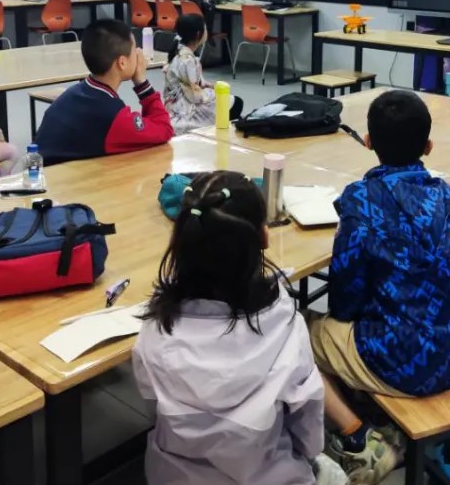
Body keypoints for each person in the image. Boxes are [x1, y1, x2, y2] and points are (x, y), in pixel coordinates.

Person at [309, 90, 450, 485]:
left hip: (404, 361)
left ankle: (359, 439)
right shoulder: (445, 194)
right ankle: (371, 409)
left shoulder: (361, 198)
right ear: (428, 146)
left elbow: (345, 294)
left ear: (368, 142)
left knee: (292, 333)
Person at [132, 171, 340, 485]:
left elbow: (154, 410)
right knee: (331, 473)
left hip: (175, 476)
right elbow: (309, 433)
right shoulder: (286, 327)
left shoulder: (153, 332)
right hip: (269, 477)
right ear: (264, 237)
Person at [36, 19, 174, 164]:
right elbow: (163, 128)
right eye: (135, 50)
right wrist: (141, 83)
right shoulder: (112, 115)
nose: (139, 54)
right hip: (64, 177)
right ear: (122, 62)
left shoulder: (74, 93)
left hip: (44, 174)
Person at [162, 14, 243, 134]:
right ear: (198, 34)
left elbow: (192, 83)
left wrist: (208, 86)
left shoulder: (179, 50)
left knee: (229, 101)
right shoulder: (187, 60)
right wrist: (212, 94)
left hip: (178, 103)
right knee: (236, 103)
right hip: (185, 108)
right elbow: (195, 96)